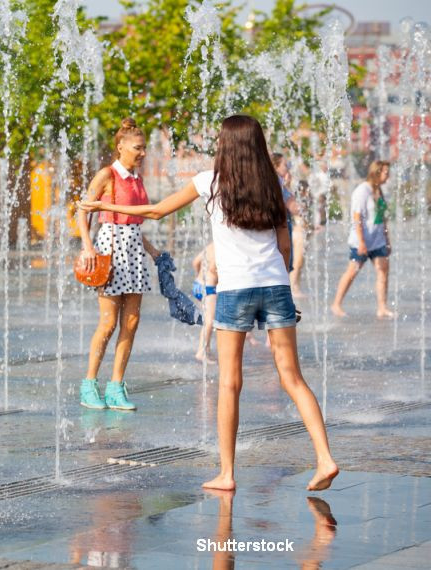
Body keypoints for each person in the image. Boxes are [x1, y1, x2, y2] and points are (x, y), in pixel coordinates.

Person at [80, 115, 338, 491]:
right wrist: (283, 282)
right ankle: (325, 458)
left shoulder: (209, 181)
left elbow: (155, 211)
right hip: (275, 286)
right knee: (293, 378)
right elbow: (285, 244)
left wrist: (99, 206)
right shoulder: (273, 183)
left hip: (235, 291)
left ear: (225, 145)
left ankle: (227, 474)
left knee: (229, 383)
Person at [75, 118, 160, 412]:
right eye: (138, 148)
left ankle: (116, 386)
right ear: (121, 146)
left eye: (144, 148)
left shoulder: (137, 178)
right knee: (108, 322)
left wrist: (153, 251)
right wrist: (87, 247)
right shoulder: (107, 175)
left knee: (132, 321)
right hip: (111, 249)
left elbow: (133, 221)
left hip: (134, 250)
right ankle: (89, 384)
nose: (143, 153)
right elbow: (82, 211)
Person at [331, 160, 393, 318]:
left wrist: (387, 239)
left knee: (383, 270)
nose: (389, 176)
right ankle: (336, 304)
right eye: (386, 172)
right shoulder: (362, 191)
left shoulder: (378, 190)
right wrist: (362, 242)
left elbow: (382, 217)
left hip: (378, 240)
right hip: (362, 240)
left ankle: (382, 307)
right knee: (352, 271)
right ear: (377, 172)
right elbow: (357, 217)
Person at [192, 243, 217, 363]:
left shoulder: (211, 245)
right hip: (209, 289)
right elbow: (213, 268)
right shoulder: (223, 247)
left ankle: (206, 349)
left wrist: (199, 275)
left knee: (208, 319)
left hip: (198, 285)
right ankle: (201, 352)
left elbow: (195, 262)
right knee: (209, 321)